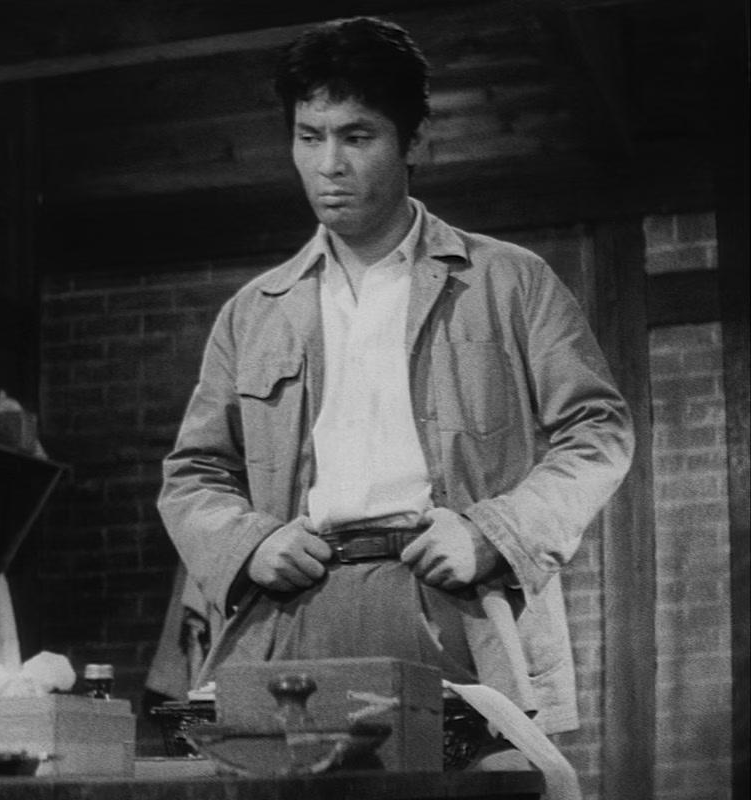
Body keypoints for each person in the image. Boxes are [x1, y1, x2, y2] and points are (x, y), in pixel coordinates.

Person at [155, 16, 633, 737]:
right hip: (296, 612)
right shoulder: (254, 312)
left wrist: (496, 534)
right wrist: (249, 545)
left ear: (413, 142)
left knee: (473, 782)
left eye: (357, 136)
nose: (329, 165)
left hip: (458, 602)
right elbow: (192, 474)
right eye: (309, 137)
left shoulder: (510, 280)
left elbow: (600, 433)